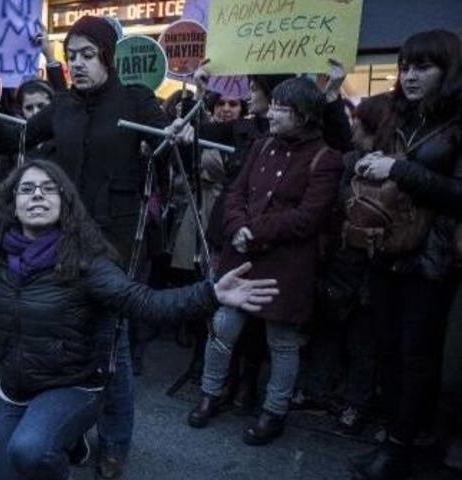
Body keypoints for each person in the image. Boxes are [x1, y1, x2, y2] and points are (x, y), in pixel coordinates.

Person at [0, 159, 279, 480]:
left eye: (49, 189)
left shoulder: (86, 262)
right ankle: (70, 443)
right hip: (16, 389)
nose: (37, 195)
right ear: (12, 203)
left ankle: (62, 444)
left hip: (74, 384)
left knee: (30, 451)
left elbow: (145, 303)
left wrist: (211, 293)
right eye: (27, 190)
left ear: (64, 203)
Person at [0, 17, 181, 477]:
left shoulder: (137, 100)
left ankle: (115, 441)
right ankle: (68, 430)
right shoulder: (61, 106)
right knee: (74, 343)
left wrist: (178, 138)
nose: (78, 64)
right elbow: (19, 139)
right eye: (71, 56)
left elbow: (169, 151)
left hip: (118, 249)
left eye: (87, 54)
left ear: (107, 56)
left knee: (112, 348)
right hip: (66, 245)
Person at [188, 78, 344, 446]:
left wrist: (254, 231)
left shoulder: (326, 158)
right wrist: (238, 227)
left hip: (287, 264)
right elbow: (236, 193)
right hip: (240, 256)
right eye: (271, 105)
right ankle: (211, 394)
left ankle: (274, 412)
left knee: (283, 342)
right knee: (223, 326)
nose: (270, 112)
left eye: (280, 108)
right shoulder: (261, 146)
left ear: (304, 116)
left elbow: (309, 217)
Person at [348, 30, 462, 480]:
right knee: (388, 347)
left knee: (419, 355)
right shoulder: (401, 114)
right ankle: (400, 434)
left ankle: (399, 449)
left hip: (432, 257)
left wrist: (399, 169)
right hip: (386, 246)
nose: (410, 76)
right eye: (406, 66)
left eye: (423, 67)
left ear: (447, 70)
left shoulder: (457, 123)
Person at [293, 94, 393, 434]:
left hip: (372, 263)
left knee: (361, 340)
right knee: (327, 329)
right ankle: (317, 391)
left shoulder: (394, 166)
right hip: (339, 258)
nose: (353, 126)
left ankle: (355, 404)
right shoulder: (348, 160)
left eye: (359, 122)